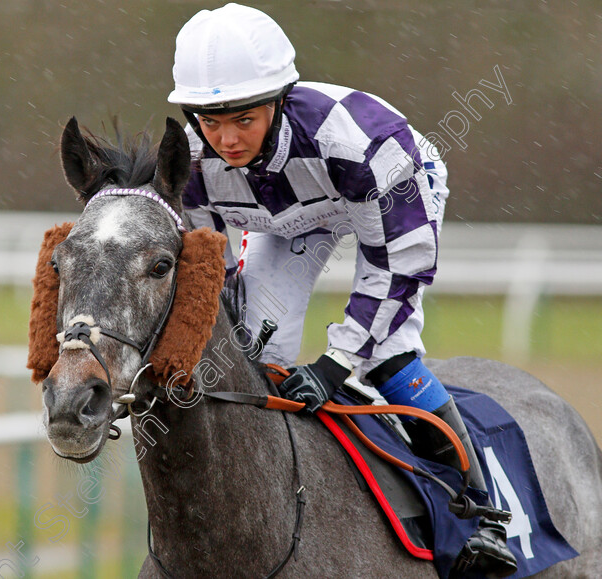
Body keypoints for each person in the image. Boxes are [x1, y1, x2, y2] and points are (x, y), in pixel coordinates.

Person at [168, 3, 516, 576]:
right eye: (210, 120)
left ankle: (483, 513)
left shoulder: (359, 142)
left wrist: (334, 367)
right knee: (254, 351)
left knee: (384, 353)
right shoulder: (195, 158)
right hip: (288, 216)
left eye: (243, 120)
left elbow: (397, 268)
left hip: (386, 196)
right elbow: (210, 262)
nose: (226, 139)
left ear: (280, 99)